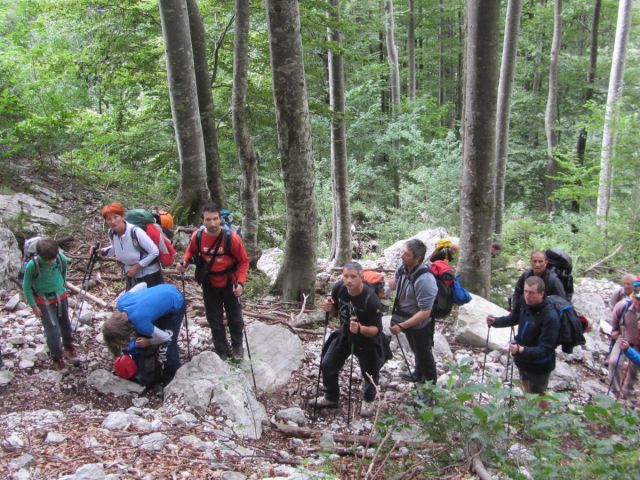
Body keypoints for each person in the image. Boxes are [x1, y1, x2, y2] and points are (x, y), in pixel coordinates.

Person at [176, 203, 249, 360]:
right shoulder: (198, 236)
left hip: (231, 282)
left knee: (235, 318)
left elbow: (244, 261)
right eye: (208, 219)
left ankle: (237, 347)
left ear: (220, 219)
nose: (213, 223)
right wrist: (184, 262)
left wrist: (241, 283)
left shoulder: (232, 238)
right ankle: (221, 350)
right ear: (202, 220)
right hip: (209, 281)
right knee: (214, 318)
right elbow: (190, 250)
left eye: (215, 219)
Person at [312, 262, 385, 418]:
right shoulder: (339, 289)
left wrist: (360, 329)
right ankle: (331, 397)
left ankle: (368, 399)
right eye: (345, 276)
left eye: (353, 277)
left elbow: (376, 330)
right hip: (345, 334)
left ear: (361, 277)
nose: (349, 280)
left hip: (367, 340)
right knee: (327, 364)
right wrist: (329, 308)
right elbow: (335, 311)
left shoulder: (371, 299)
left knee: (370, 371)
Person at [487, 276, 559, 408]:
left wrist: (521, 350)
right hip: (522, 357)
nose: (527, 296)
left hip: (539, 364)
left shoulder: (550, 316)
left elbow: (546, 349)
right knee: (525, 384)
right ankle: (530, 411)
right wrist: (496, 322)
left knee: (539, 393)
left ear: (541, 294)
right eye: (525, 291)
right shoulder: (523, 302)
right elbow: (514, 318)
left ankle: (542, 420)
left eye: (531, 293)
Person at [103, 283, 185, 385]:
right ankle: (153, 366)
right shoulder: (121, 302)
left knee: (166, 347)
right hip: (164, 288)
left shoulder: (140, 323)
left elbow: (165, 337)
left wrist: (149, 342)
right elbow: (143, 285)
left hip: (176, 302)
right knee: (151, 333)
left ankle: (173, 377)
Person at [21, 238, 79, 370]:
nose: (51, 261)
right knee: (52, 330)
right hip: (43, 300)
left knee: (65, 323)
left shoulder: (60, 258)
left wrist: (61, 287)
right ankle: (57, 356)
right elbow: (26, 286)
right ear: (40, 255)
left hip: (60, 295)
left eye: (52, 258)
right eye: (48, 259)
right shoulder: (33, 265)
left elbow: (63, 272)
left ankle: (68, 346)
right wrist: (33, 305)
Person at [388, 239, 439, 386]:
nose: (402, 256)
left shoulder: (425, 280)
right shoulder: (403, 266)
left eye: (407, 254)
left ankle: (430, 387)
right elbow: (396, 282)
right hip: (405, 316)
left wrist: (402, 326)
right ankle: (417, 373)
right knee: (416, 350)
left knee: (424, 354)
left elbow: (425, 312)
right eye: (402, 252)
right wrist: (378, 286)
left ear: (417, 259)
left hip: (421, 324)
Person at [101, 202, 163, 290]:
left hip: (150, 275)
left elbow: (154, 251)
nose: (113, 222)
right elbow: (115, 248)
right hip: (131, 274)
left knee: (152, 302)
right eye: (109, 219)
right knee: (135, 302)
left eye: (115, 217)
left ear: (122, 216)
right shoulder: (111, 233)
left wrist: (136, 267)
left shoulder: (135, 231)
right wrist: (102, 251)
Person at [607, 284, 640, 399]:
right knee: (614, 362)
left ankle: (627, 394)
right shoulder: (623, 306)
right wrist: (615, 330)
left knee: (634, 370)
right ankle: (615, 393)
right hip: (624, 338)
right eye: (637, 299)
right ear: (633, 297)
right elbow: (615, 318)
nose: (638, 302)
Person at [511, 250, 567, 315]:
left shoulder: (553, 281)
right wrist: (515, 311)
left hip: (546, 315)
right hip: (528, 312)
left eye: (540, 261)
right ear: (531, 262)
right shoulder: (526, 275)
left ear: (546, 263)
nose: (537, 265)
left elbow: (562, 302)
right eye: (534, 261)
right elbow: (517, 293)